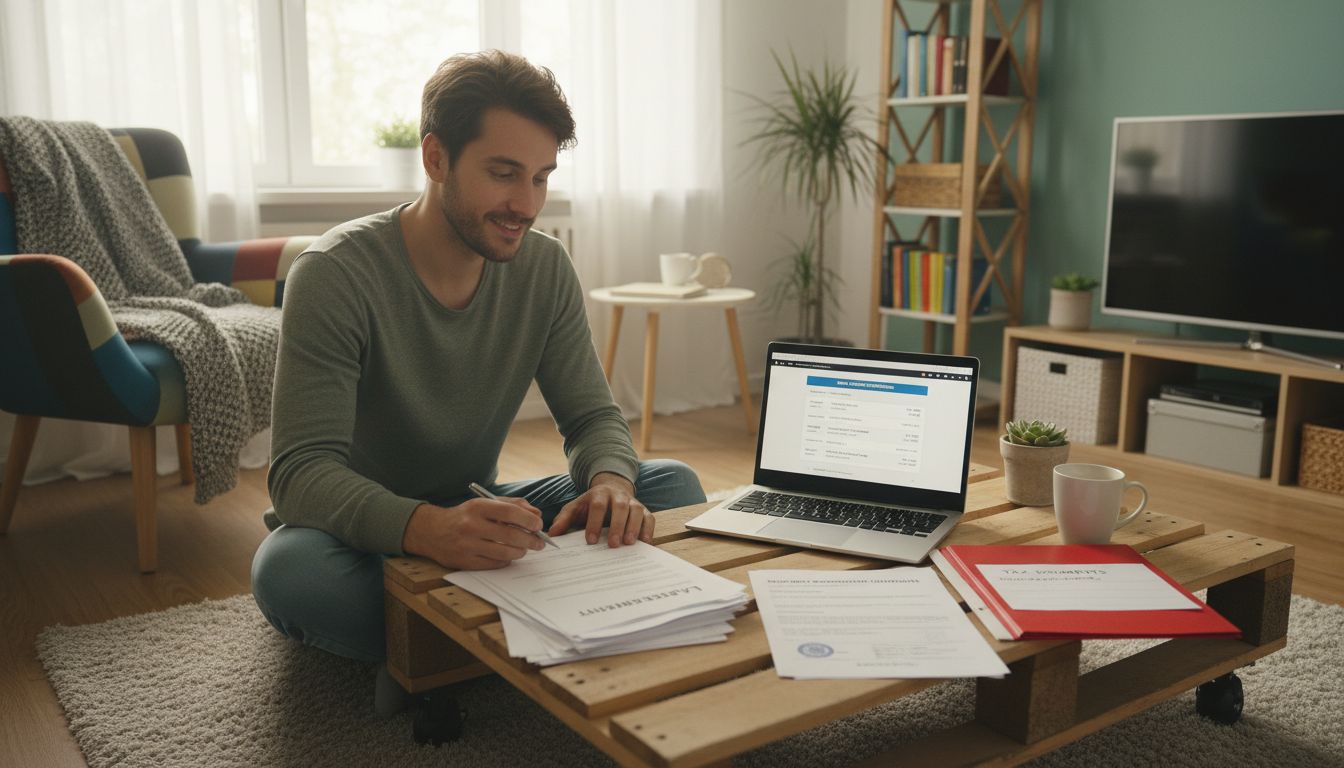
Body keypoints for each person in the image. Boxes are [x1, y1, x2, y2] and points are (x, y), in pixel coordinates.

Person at [250, 50, 706, 673]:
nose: (526, 203)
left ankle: (449, 647)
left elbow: (593, 416)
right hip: (359, 536)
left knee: (671, 486)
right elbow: (300, 473)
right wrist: (428, 530)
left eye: (541, 177)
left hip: (478, 510)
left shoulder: (545, 269)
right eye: (503, 173)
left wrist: (611, 485)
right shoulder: (334, 274)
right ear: (436, 158)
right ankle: (538, 635)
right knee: (289, 572)